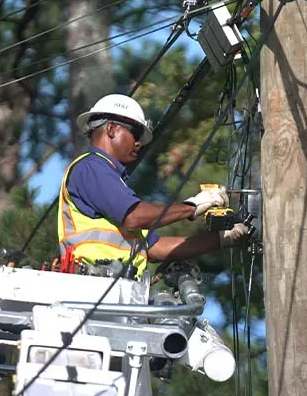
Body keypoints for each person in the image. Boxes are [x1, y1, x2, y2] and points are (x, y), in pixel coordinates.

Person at [58, 93, 249, 277]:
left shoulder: (112, 182)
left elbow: (155, 248)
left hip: (115, 289)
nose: (139, 143)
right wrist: (192, 207)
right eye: (136, 134)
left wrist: (223, 238)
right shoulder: (91, 168)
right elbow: (133, 216)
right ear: (111, 129)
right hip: (94, 286)